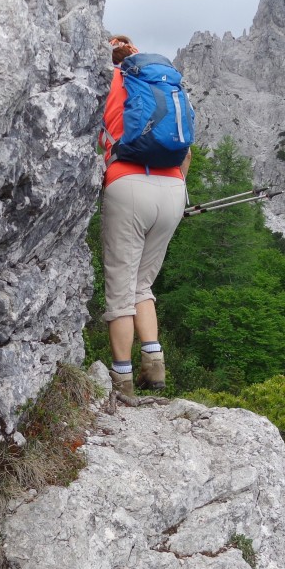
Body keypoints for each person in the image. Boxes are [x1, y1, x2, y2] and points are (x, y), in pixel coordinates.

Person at [98, 35, 191, 395]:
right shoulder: (163, 85)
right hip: (172, 190)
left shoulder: (109, 82)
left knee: (120, 290)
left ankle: (121, 379)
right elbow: (186, 151)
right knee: (142, 285)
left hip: (127, 183)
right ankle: (154, 365)